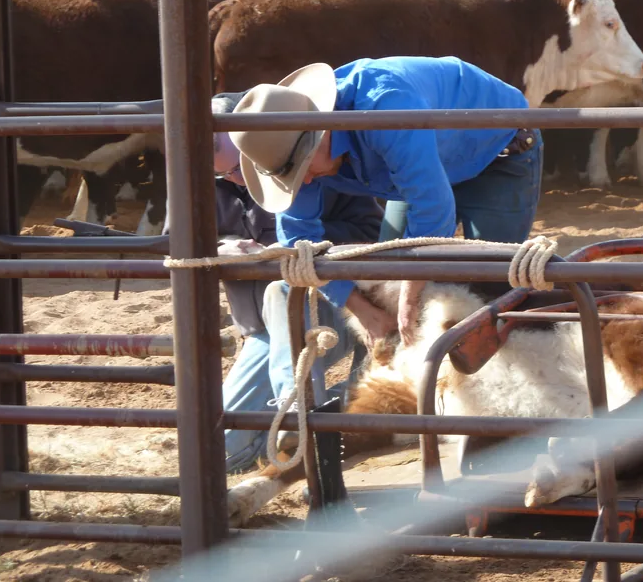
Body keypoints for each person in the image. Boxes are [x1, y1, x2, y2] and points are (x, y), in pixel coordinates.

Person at [224, 55, 543, 450]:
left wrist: (410, 292)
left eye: (302, 167)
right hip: (412, 170)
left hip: (496, 148)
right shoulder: (296, 143)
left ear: (321, 137)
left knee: (488, 282)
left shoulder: (384, 107)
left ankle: (495, 415)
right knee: (386, 284)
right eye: (292, 174)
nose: (303, 180)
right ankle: (390, 394)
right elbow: (298, 241)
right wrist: (364, 310)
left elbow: (432, 208)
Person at [163, 92, 384, 473]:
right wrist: (221, 250)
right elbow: (171, 246)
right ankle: (318, 415)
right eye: (224, 175)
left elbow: (372, 233)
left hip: (333, 312)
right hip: (262, 332)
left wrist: (281, 249)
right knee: (219, 452)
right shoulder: (197, 181)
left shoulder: (313, 168)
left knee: (279, 293)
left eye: (241, 167)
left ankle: (303, 413)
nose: (236, 180)